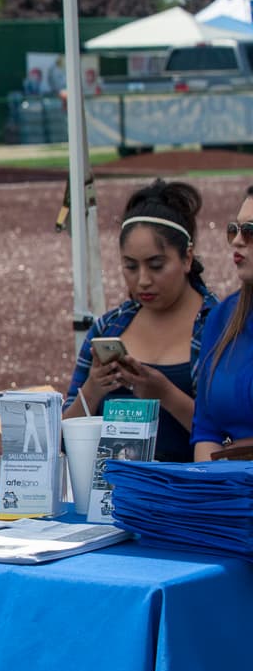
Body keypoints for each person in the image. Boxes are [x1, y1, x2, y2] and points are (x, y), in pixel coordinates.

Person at [63, 180, 218, 462]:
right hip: (117, 499)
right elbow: (64, 439)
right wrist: (94, 388)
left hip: (194, 497)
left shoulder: (220, 326)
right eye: (130, 266)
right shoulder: (108, 328)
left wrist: (165, 395)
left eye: (156, 265)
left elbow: (231, 437)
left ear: (187, 258)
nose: (143, 280)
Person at [193, 186, 253, 460]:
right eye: (234, 229)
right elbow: (206, 432)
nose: (237, 241)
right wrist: (212, 495)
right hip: (228, 494)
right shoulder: (220, 318)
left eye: (250, 231)